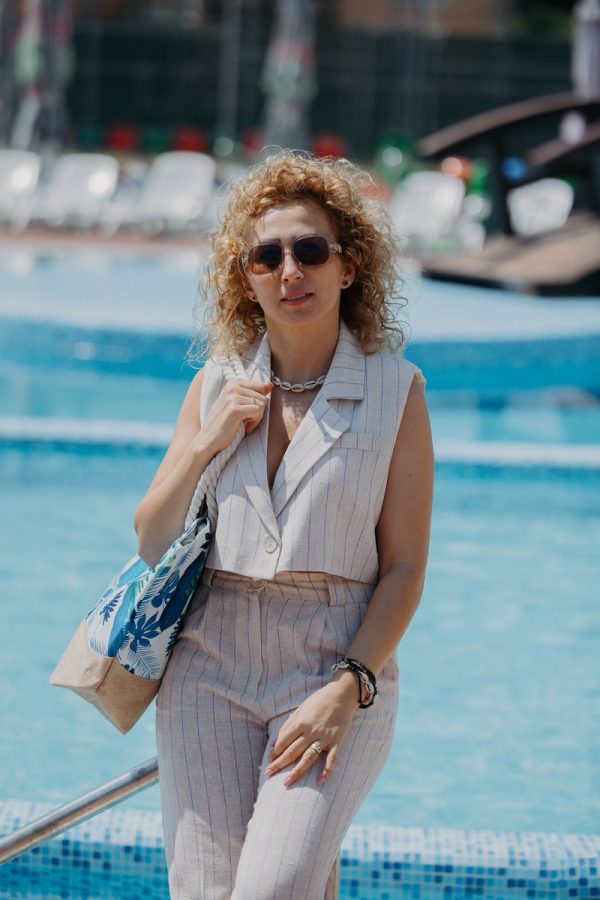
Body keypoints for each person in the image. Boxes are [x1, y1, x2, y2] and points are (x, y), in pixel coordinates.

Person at [134, 150, 434, 900]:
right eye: (266, 256)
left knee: (274, 890)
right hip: (207, 668)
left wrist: (350, 686)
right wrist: (207, 442)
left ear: (349, 266)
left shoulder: (397, 391)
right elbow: (150, 538)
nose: (289, 270)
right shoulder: (216, 383)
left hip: (330, 665)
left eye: (310, 250)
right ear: (246, 278)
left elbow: (404, 566)